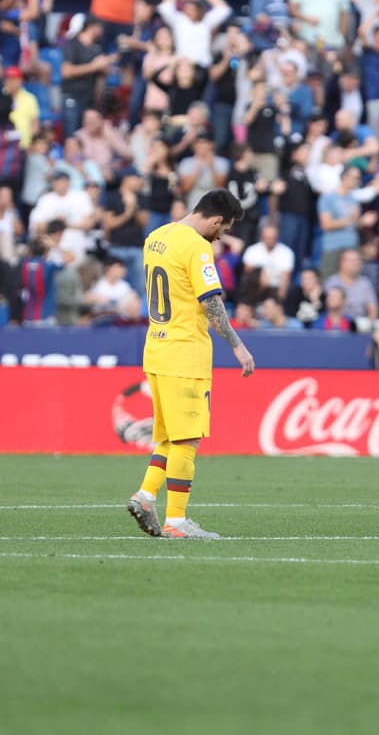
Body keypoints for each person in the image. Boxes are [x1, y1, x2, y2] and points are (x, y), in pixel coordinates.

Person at [127, 189, 254, 541]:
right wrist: (238, 346)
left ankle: (145, 496)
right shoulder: (197, 246)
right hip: (186, 354)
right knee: (187, 439)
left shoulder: (156, 237)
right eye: (224, 229)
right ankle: (177, 521)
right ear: (215, 220)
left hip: (156, 349)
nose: (221, 235)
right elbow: (211, 303)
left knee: (168, 437)